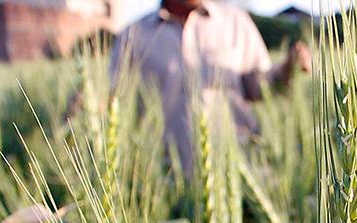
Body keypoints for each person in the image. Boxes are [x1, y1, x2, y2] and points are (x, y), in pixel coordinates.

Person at [109, 0, 311, 174]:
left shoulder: (235, 22)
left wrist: (287, 69)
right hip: (166, 177)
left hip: (241, 169)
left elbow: (260, 87)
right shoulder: (134, 34)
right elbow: (115, 99)